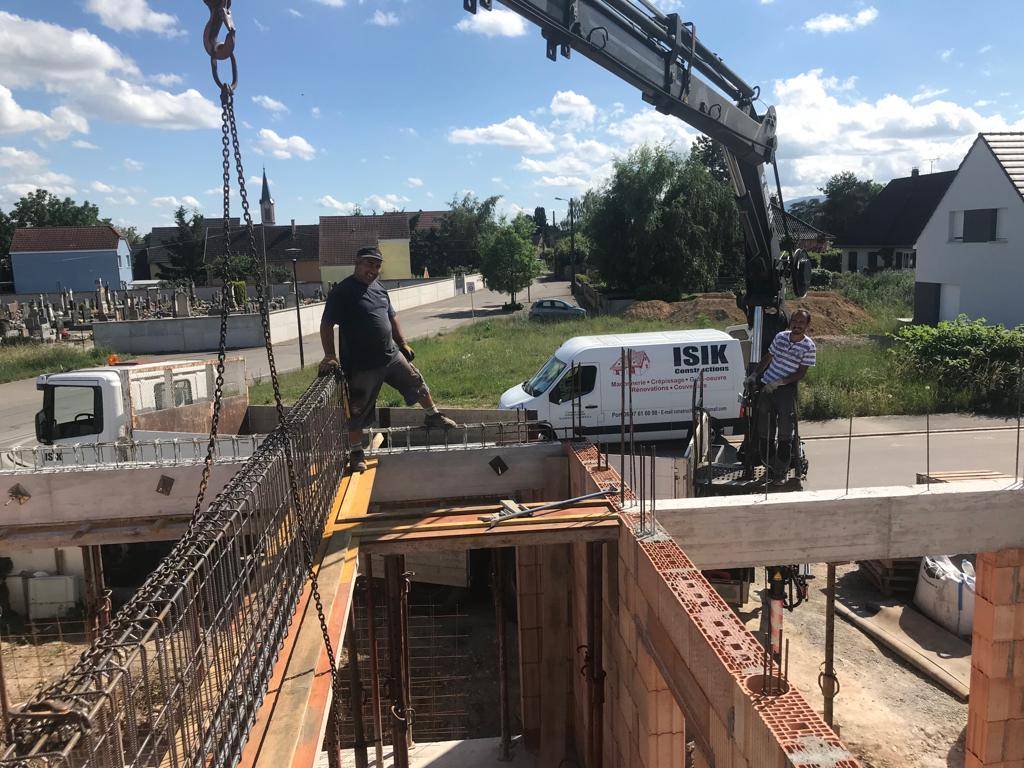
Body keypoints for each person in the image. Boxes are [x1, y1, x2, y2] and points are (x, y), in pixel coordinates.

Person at [319, 245, 457, 472]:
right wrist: (330, 355)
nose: (372, 269)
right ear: (357, 263)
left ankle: (433, 416)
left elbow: (392, 318)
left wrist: (402, 343)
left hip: (390, 356)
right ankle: (356, 452)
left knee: (415, 381)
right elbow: (326, 325)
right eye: (368, 264)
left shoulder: (380, 289)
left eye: (377, 265)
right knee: (356, 410)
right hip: (361, 365)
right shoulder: (342, 292)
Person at [748, 308, 816, 479]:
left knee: (786, 427)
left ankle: (782, 467)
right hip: (767, 386)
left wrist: (780, 383)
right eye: (795, 321)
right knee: (765, 427)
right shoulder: (780, 337)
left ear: (807, 325)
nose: (797, 325)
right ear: (790, 322)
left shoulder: (809, 346)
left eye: (801, 322)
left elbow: (801, 372)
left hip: (786, 389)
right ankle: (769, 465)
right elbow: (768, 357)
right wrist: (755, 375)